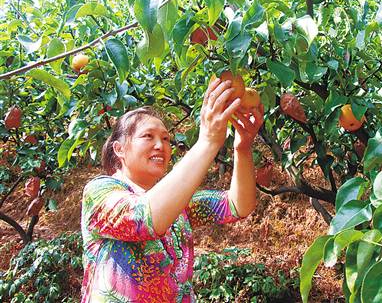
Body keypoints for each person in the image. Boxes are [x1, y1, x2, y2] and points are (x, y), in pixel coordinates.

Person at [81, 77, 264, 302]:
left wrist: (243, 147)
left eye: (166, 138)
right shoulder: (99, 192)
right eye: (148, 136)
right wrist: (207, 141)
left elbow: (238, 205)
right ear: (119, 148)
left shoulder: (176, 202)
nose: (161, 145)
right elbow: (143, 217)